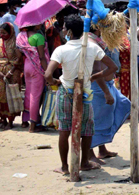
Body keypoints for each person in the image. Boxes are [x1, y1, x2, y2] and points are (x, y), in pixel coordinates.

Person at [45, 15, 118, 176]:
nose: (62, 30)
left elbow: (48, 75)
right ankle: (84, 162)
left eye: (64, 28)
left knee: (64, 129)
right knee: (86, 129)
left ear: (69, 31)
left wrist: (55, 82)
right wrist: (95, 76)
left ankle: (65, 166)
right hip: (85, 92)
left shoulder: (61, 50)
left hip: (66, 90)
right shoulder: (92, 47)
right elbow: (113, 67)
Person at [86, 30, 130, 165]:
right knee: (96, 120)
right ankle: (89, 153)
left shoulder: (97, 40)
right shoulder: (91, 43)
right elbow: (95, 71)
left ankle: (102, 148)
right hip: (99, 86)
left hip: (107, 84)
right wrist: (106, 92)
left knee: (123, 105)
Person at [0, 23, 23, 129]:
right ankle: (3, 119)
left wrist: (11, 71)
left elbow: (18, 59)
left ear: (10, 33)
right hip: (0, 73)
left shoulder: (15, 43)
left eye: (4, 33)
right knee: (1, 95)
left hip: (13, 72)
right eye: (0, 33)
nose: (2, 35)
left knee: (12, 95)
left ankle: (11, 121)